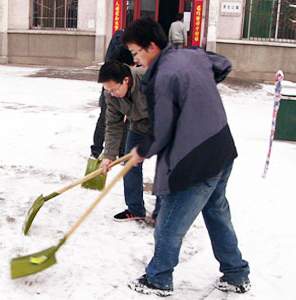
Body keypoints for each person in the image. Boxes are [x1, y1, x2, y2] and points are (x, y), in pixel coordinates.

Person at [121, 16, 250, 297]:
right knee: (216, 213)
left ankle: (158, 280)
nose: (136, 60)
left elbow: (162, 130)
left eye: (136, 53)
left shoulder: (164, 76)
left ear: (151, 46)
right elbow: (223, 65)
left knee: (168, 225)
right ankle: (236, 273)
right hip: (221, 148)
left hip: (197, 160)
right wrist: (197, 89)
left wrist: (141, 152)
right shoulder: (191, 55)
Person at [97, 61, 155, 222]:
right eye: (108, 90)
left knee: (165, 169)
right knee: (130, 165)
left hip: (164, 126)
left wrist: (150, 145)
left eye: (115, 89)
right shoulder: (110, 94)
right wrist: (108, 156)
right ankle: (135, 209)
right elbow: (113, 124)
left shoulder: (149, 79)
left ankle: (161, 213)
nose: (112, 93)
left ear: (126, 80)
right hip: (138, 126)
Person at [90, 29, 134, 159]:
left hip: (122, 84)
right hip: (116, 82)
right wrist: (109, 156)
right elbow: (114, 125)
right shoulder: (123, 49)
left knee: (127, 119)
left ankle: (120, 151)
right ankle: (101, 150)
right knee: (109, 118)